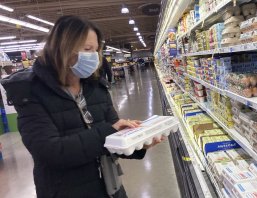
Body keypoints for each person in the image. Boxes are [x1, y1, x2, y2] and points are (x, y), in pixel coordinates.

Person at [0, 15, 164, 198]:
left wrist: (137, 143)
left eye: (96, 50)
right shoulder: (30, 92)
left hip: (110, 187)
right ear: (63, 48)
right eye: (87, 49)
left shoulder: (96, 86)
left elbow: (112, 139)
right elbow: (50, 152)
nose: (94, 56)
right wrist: (108, 131)